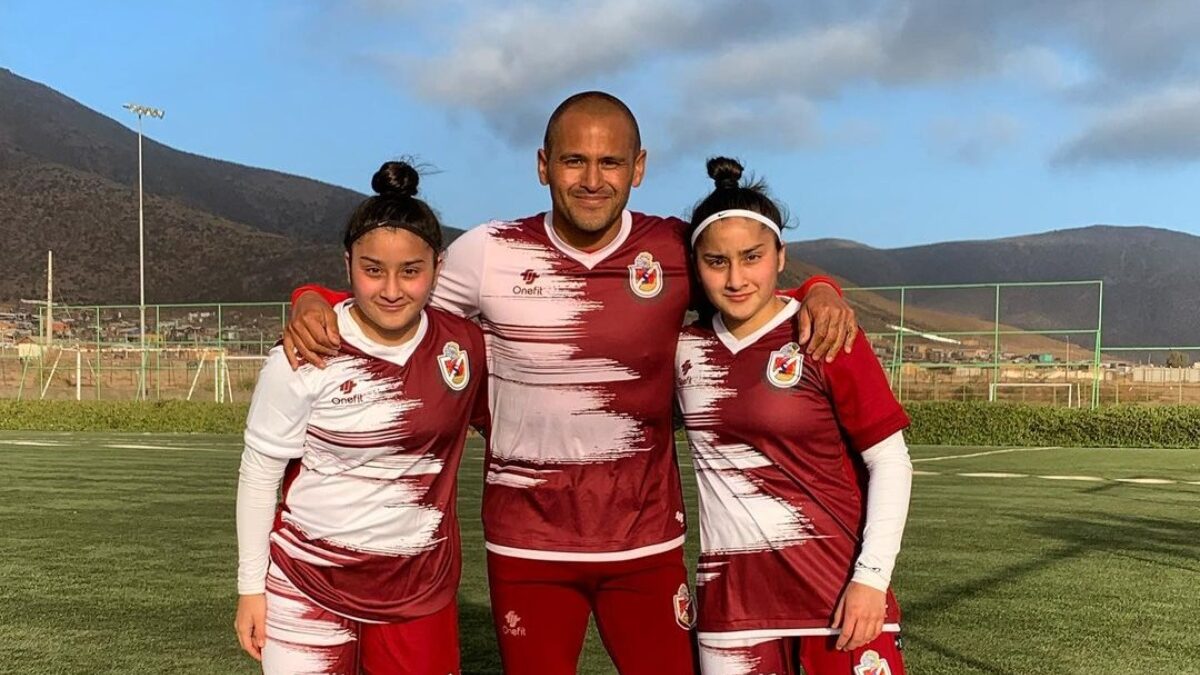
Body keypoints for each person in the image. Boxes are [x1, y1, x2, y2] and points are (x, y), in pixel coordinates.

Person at [285, 93, 859, 675]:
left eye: (610, 162)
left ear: (638, 167)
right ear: (543, 165)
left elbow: (746, 281)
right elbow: (395, 296)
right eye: (573, 161)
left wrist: (818, 288)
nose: (591, 180)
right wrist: (315, 296)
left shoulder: (672, 249)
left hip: (646, 542)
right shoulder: (489, 251)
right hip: (526, 542)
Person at [234, 161, 489, 674]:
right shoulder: (306, 352)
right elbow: (260, 473)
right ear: (348, 264)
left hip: (418, 591)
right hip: (307, 584)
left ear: (437, 267)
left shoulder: (464, 345)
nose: (391, 289)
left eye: (411, 271)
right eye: (373, 270)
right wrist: (250, 589)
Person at [675, 157, 913, 675]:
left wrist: (872, 578)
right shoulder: (684, 350)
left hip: (839, 601)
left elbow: (891, 462)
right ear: (696, 266)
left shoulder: (824, 334)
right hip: (732, 612)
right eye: (716, 261)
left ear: (781, 256)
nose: (736, 278)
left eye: (752, 257)